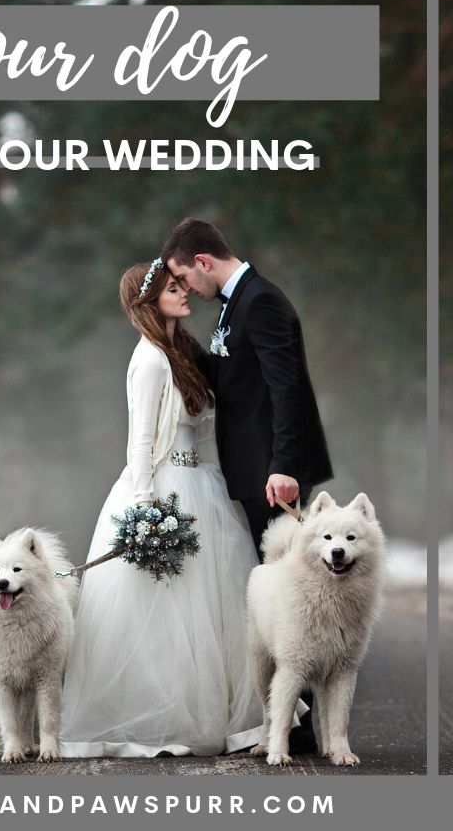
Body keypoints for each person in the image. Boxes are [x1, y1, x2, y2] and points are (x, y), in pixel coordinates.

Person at [59, 259, 263, 757]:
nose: (185, 292)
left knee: (212, 606)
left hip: (201, 484)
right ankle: (164, 719)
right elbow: (142, 440)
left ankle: (228, 714)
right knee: (167, 610)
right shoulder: (149, 359)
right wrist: (145, 508)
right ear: (149, 301)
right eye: (173, 288)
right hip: (165, 487)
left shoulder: (181, 352)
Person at [161, 217, 333, 753]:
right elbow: (236, 376)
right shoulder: (236, 305)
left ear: (204, 263)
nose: (186, 288)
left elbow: (288, 390)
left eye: (185, 278)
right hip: (254, 469)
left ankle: (299, 728)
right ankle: (289, 719)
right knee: (279, 597)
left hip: (273, 474)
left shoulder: (261, 301)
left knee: (294, 599)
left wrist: (284, 466)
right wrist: (176, 344)